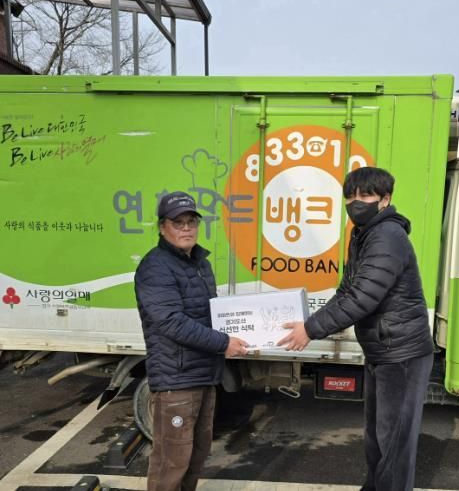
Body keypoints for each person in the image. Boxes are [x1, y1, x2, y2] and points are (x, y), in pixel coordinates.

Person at [278, 167, 434, 491]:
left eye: (365, 195)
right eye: (350, 196)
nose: (356, 202)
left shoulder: (387, 236)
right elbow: (347, 291)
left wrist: (310, 330)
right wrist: (310, 323)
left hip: (401, 354)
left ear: (385, 199)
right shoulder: (363, 233)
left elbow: (363, 297)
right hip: (383, 351)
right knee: (377, 439)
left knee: (394, 446)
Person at [135, 191, 248, 491]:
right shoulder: (155, 267)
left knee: (196, 455)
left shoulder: (199, 264)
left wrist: (246, 333)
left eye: (191, 222)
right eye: (178, 223)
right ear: (162, 227)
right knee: (172, 462)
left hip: (203, 375)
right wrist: (224, 343)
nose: (186, 228)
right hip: (177, 379)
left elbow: (209, 315)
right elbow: (172, 322)